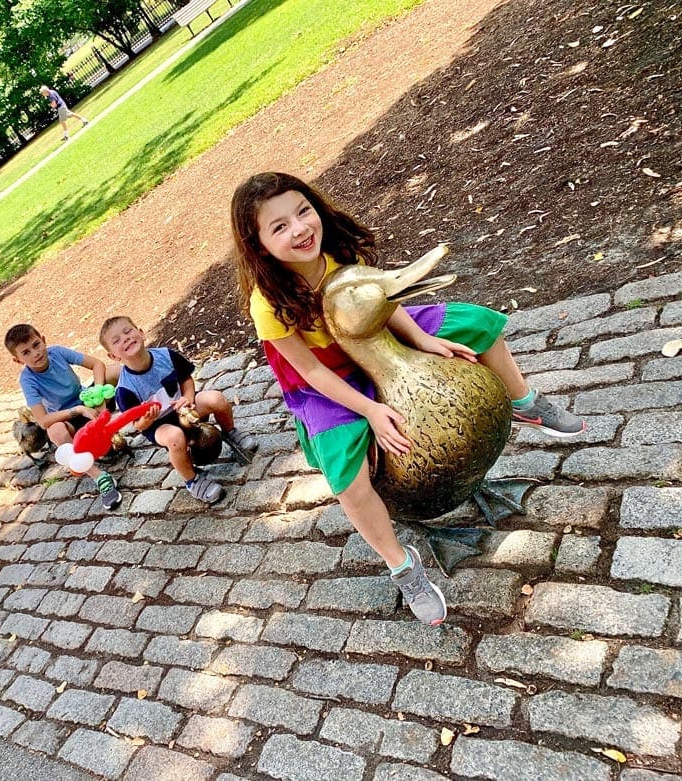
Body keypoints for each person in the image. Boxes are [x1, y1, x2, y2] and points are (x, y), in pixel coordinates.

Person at [230, 171, 585, 625]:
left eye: (303, 211)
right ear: (259, 244)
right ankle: (402, 566)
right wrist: (372, 409)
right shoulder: (269, 303)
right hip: (330, 379)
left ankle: (523, 400)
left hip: (376, 335)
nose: (300, 229)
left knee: (478, 324)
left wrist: (424, 340)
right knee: (348, 478)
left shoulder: (340, 252)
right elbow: (312, 370)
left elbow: (388, 301)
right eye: (279, 226)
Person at [99, 316, 257, 505]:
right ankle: (192, 480)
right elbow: (138, 425)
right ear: (113, 356)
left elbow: (186, 380)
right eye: (116, 341)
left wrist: (188, 398)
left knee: (216, 399)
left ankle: (231, 433)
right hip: (158, 425)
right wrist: (148, 420)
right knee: (174, 438)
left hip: (183, 407)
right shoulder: (125, 389)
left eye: (128, 331)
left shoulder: (166, 356)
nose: (125, 338)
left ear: (141, 333)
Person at [5, 323, 122, 510]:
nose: (35, 353)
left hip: (87, 401)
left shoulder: (57, 352)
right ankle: (100, 477)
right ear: (17, 360)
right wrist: (79, 411)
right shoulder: (27, 380)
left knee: (115, 370)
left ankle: (147, 410)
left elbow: (97, 364)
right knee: (55, 431)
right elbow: (43, 421)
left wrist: (98, 393)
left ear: (43, 340)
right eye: (25, 352)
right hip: (68, 417)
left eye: (36, 345)